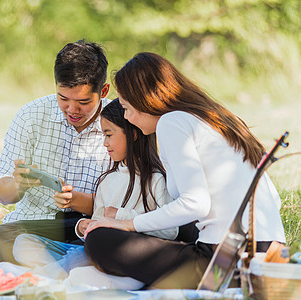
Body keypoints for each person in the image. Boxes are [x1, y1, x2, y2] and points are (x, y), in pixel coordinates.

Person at [83, 52, 286, 289]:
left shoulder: (172, 122)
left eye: (127, 108)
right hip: (270, 253)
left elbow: (196, 204)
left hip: (224, 260)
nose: (127, 117)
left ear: (145, 100)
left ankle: (213, 283)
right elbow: (274, 199)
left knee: (99, 239)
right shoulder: (216, 119)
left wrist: (128, 223)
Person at [12, 99, 178, 289]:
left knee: (79, 258)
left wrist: (121, 217)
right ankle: (63, 272)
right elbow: (96, 229)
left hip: (122, 253)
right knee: (23, 242)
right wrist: (83, 226)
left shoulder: (155, 179)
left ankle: (39, 278)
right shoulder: (107, 180)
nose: (104, 143)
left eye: (108, 135)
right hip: (92, 250)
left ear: (132, 134)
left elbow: (171, 230)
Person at [0, 40, 111, 265]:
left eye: (83, 102)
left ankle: (59, 261)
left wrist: (76, 202)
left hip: (93, 226)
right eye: (63, 98)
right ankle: (77, 262)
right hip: (37, 225)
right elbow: (2, 194)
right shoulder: (31, 115)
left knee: (114, 243)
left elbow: (125, 203)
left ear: (104, 90)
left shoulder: (119, 122)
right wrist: (19, 185)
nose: (72, 110)